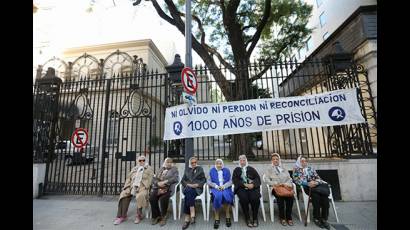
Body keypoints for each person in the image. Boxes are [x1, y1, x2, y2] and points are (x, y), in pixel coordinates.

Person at [113, 155, 154, 225]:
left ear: (145, 161)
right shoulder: (134, 169)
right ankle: (122, 216)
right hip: (132, 186)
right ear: (137, 161)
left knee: (140, 196)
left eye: (143, 160)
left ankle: (139, 215)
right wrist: (126, 187)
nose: (141, 162)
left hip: (142, 187)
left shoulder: (149, 169)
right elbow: (128, 178)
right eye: (140, 160)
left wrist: (145, 187)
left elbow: (150, 180)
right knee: (123, 195)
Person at [293, 156, 331, 229]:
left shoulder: (311, 169)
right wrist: (307, 183)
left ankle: (324, 218)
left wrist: (316, 182)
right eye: (302, 161)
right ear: (298, 162)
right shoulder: (296, 170)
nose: (304, 162)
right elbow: (296, 180)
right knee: (315, 196)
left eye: (305, 161)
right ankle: (316, 218)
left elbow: (318, 178)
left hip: (316, 186)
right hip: (307, 187)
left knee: (324, 197)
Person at [264, 153, 294, 226]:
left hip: (285, 186)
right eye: (274, 159)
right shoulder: (269, 169)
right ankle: (282, 217)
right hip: (276, 187)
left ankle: (289, 217)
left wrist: (285, 184)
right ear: (272, 160)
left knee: (290, 197)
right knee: (280, 197)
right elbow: (266, 179)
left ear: (279, 160)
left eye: (277, 159)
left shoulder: (283, 168)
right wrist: (275, 183)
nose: (275, 161)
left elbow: (289, 178)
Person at [232, 155, 261, 227]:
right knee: (244, 199)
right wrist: (244, 184)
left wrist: (253, 184)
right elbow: (235, 180)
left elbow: (257, 179)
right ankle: (247, 218)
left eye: (244, 160)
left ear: (246, 161)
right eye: (241, 160)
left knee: (255, 198)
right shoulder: (237, 170)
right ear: (239, 161)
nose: (242, 162)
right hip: (241, 188)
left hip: (252, 187)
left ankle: (255, 218)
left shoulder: (251, 169)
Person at [149, 157, 179, 226]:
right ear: (164, 163)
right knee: (152, 198)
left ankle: (163, 216)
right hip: (158, 187)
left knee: (163, 198)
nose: (168, 163)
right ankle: (156, 216)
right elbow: (154, 178)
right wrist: (158, 183)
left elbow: (175, 178)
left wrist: (166, 182)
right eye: (167, 162)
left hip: (168, 188)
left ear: (172, 163)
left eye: (170, 162)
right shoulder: (161, 169)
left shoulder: (174, 169)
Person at [181, 157, 206, 229]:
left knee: (188, 195)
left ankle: (187, 218)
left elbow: (203, 179)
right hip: (188, 187)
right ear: (190, 163)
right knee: (189, 191)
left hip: (196, 188)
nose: (194, 164)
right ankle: (192, 212)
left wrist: (197, 185)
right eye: (192, 163)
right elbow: (183, 180)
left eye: (195, 162)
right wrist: (188, 184)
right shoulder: (187, 170)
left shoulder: (200, 169)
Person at [208, 159, 234, 229]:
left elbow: (231, 181)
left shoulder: (227, 170)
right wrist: (216, 186)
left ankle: (227, 214)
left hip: (225, 187)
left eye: (220, 164)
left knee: (227, 195)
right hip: (216, 188)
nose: (219, 165)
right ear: (215, 164)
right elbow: (209, 181)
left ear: (222, 164)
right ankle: (217, 216)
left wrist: (224, 186)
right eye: (217, 164)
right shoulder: (212, 171)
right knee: (217, 196)